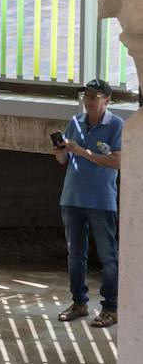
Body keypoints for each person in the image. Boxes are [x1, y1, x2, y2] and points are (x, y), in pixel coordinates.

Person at [53, 79, 122, 329]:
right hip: (72, 198)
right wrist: (60, 151)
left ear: (107, 100)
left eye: (94, 97)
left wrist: (82, 151)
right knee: (75, 255)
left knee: (108, 257)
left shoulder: (116, 125)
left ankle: (111, 308)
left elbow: (117, 161)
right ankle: (78, 303)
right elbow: (63, 160)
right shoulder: (75, 122)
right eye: (86, 96)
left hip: (101, 200)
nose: (89, 101)